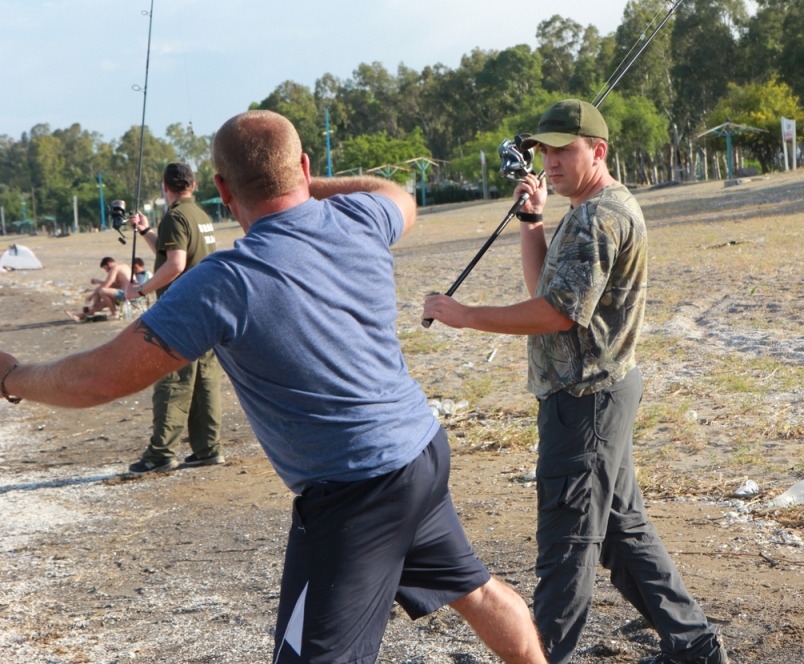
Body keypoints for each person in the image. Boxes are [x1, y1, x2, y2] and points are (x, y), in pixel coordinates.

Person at [0, 109, 546, 664]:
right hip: (420, 451)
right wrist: (299, 180)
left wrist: (11, 377)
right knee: (474, 590)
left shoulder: (224, 282)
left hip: (356, 490)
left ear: (220, 189)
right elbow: (396, 192)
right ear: (305, 166)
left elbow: (97, 380)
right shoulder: (360, 217)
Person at [423, 99, 728, 664]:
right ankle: (695, 649)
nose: (552, 161)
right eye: (546, 150)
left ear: (599, 151)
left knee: (566, 545)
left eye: (566, 149)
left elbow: (557, 314)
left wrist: (465, 314)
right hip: (599, 392)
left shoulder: (599, 217)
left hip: (585, 402)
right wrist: (533, 221)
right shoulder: (590, 210)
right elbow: (549, 292)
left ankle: (550, 655)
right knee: (621, 533)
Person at [124, 163, 223, 474]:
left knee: (173, 381)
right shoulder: (199, 216)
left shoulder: (175, 216)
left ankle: (160, 453)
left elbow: (176, 264)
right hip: (208, 310)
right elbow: (172, 252)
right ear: (192, 185)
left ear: (165, 187)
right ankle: (208, 448)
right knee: (205, 381)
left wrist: (140, 291)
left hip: (181, 312)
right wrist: (145, 231)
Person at [66, 256, 131, 321]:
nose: (106, 271)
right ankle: (83, 315)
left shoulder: (114, 268)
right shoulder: (124, 266)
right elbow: (114, 285)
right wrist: (97, 283)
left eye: (105, 268)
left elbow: (107, 285)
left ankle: (114, 313)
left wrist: (91, 296)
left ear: (109, 264)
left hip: (127, 294)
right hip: (131, 292)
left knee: (102, 291)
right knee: (101, 294)